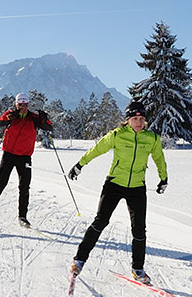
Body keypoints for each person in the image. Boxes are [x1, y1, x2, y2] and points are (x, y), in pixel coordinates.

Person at [67, 105, 168, 285]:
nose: (139, 122)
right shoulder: (117, 135)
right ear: (128, 120)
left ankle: (138, 269)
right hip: (114, 184)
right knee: (100, 221)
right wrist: (79, 164)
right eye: (135, 119)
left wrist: (163, 178)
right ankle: (79, 260)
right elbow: (97, 149)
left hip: (137, 187)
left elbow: (159, 158)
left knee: (139, 229)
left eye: (142, 119)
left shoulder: (151, 138)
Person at [0, 93, 53, 226]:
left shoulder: (34, 118)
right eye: (20, 105)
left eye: (25, 105)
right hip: (8, 155)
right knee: (1, 183)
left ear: (28, 105)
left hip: (25, 157)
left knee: (24, 187)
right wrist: (10, 117)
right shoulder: (11, 114)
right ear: (16, 105)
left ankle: (22, 217)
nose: (22, 108)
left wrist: (44, 118)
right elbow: (0, 123)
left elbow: (48, 127)